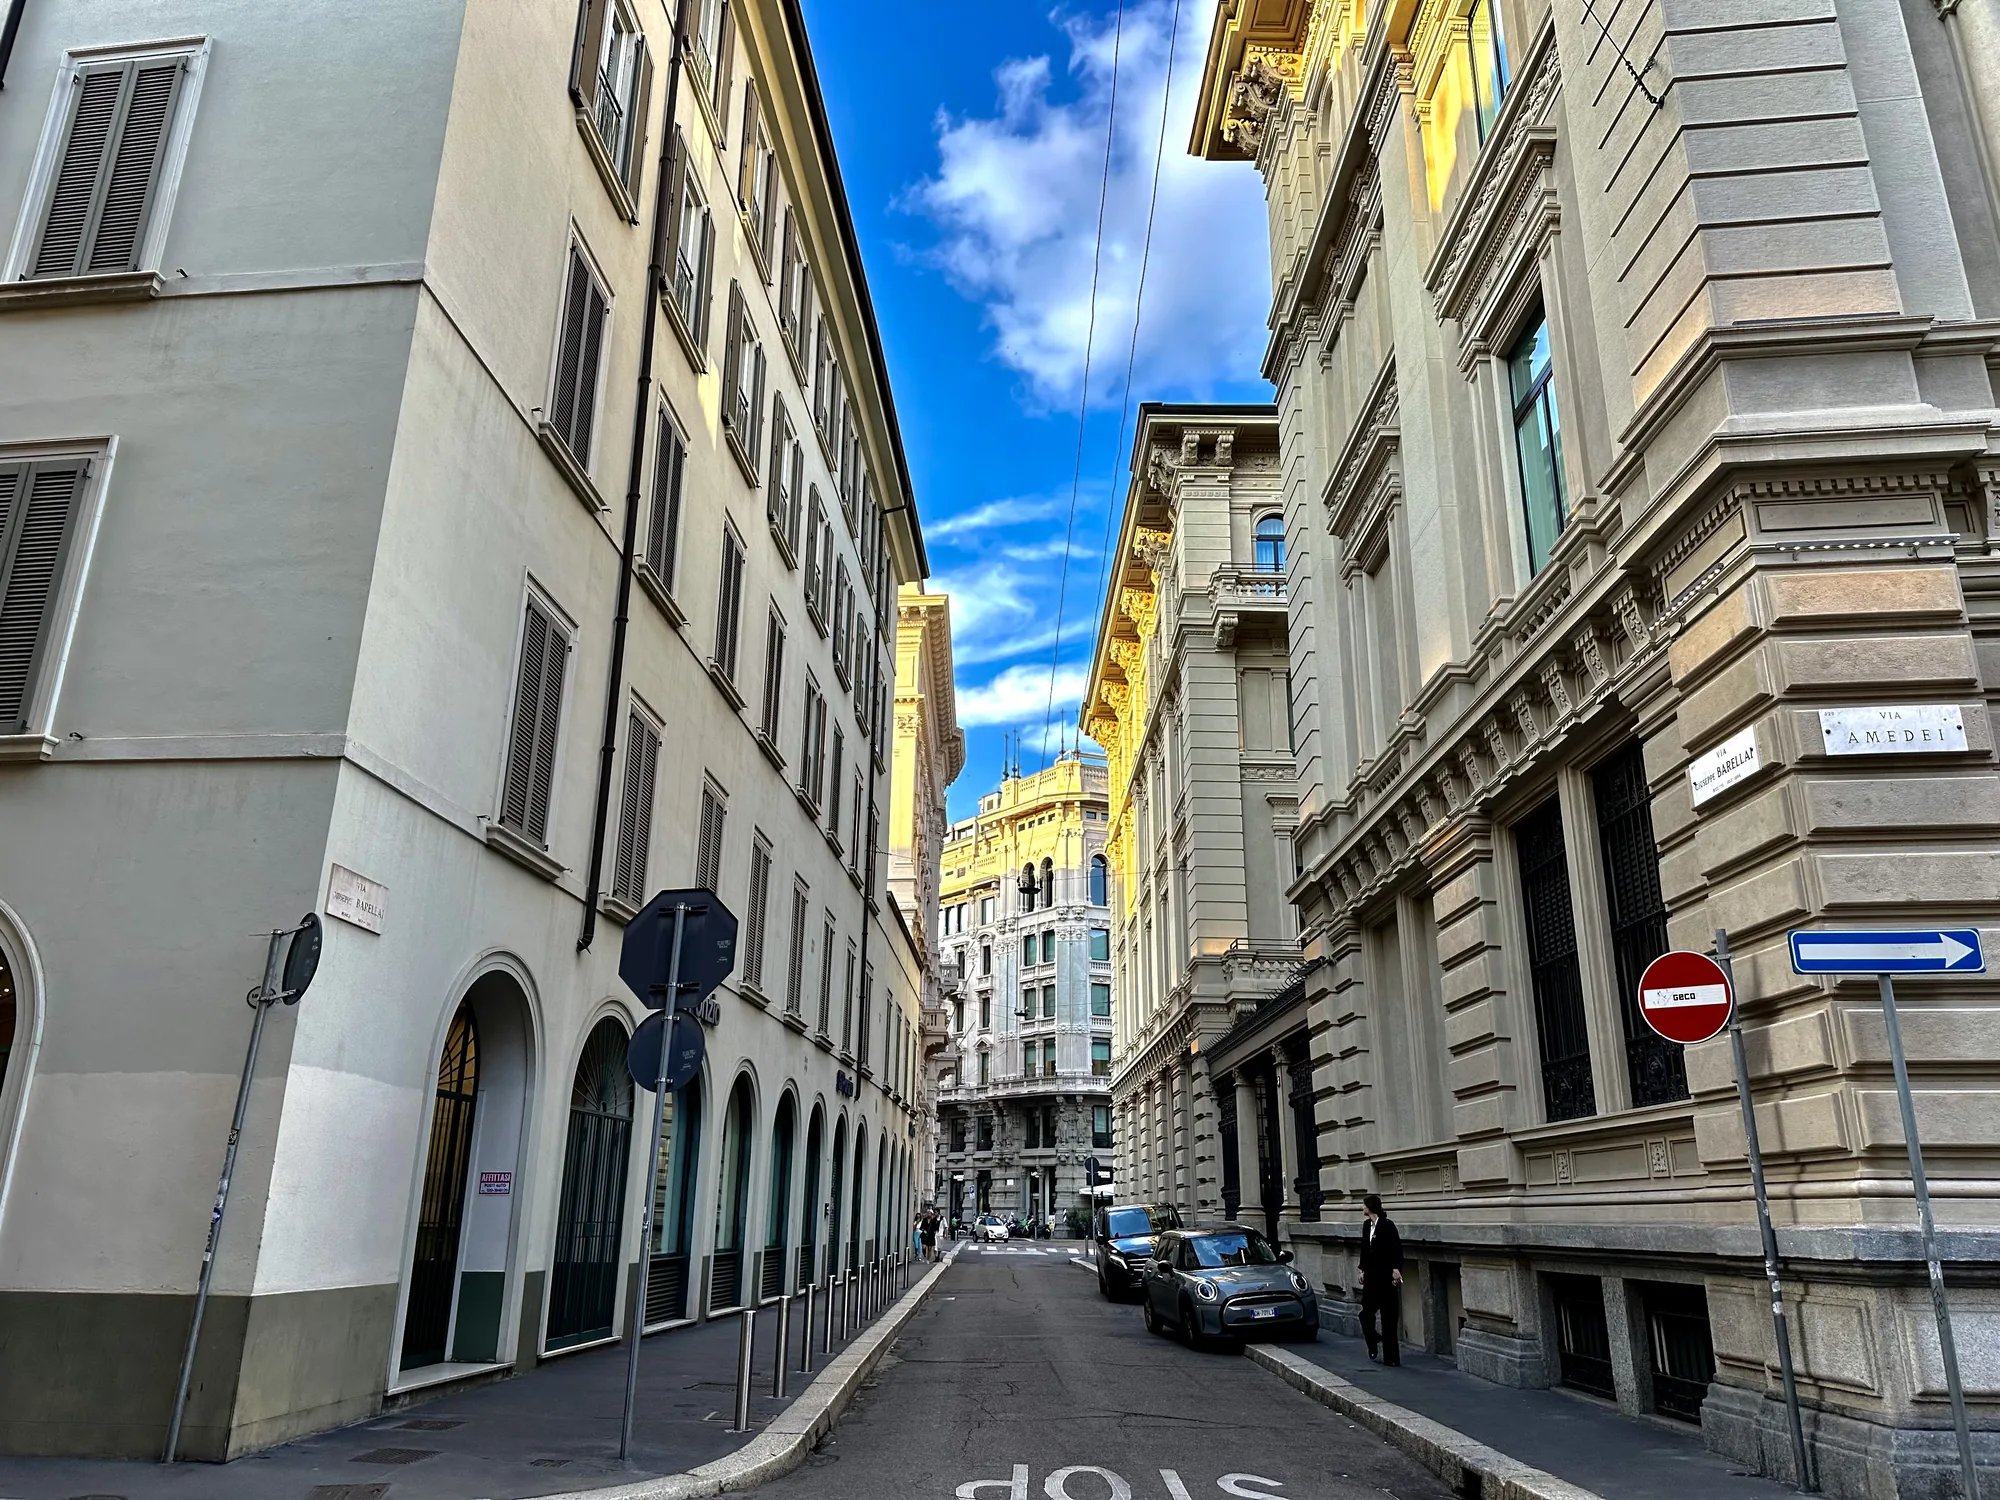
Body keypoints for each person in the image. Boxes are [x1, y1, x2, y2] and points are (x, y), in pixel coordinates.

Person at [1357, 1192, 1403, 1365]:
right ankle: (1373, 1342)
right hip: (1370, 1277)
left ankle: (1392, 1358)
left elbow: (1396, 1248)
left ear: (1370, 1208)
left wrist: (1396, 1269)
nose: (1362, 1208)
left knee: (1389, 1318)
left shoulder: (1387, 1225)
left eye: (1364, 1205)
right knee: (1366, 1314)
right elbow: (1364, 1249)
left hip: (1385, 1277)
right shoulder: (1366, 1226)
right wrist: (1362, 1269)